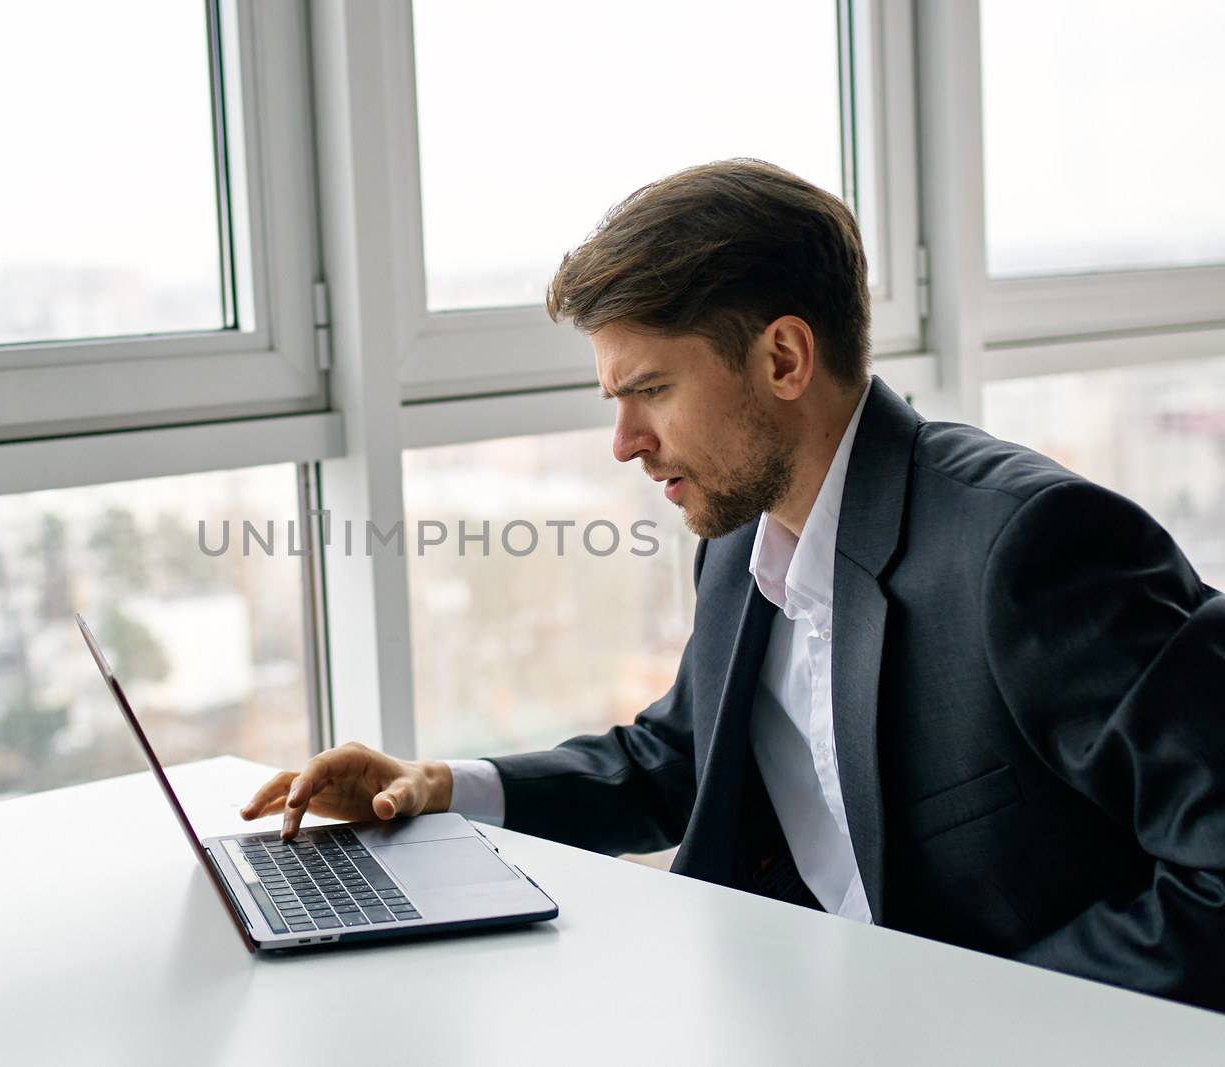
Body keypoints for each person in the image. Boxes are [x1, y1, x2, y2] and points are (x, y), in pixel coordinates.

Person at [239, 159, 1225, 1011]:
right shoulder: (741, 536)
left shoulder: (1029, 549)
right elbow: (680, 757)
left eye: (651, 391)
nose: (624, 443)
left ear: (783, 358)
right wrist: (440, 786)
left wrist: (981, 1031)